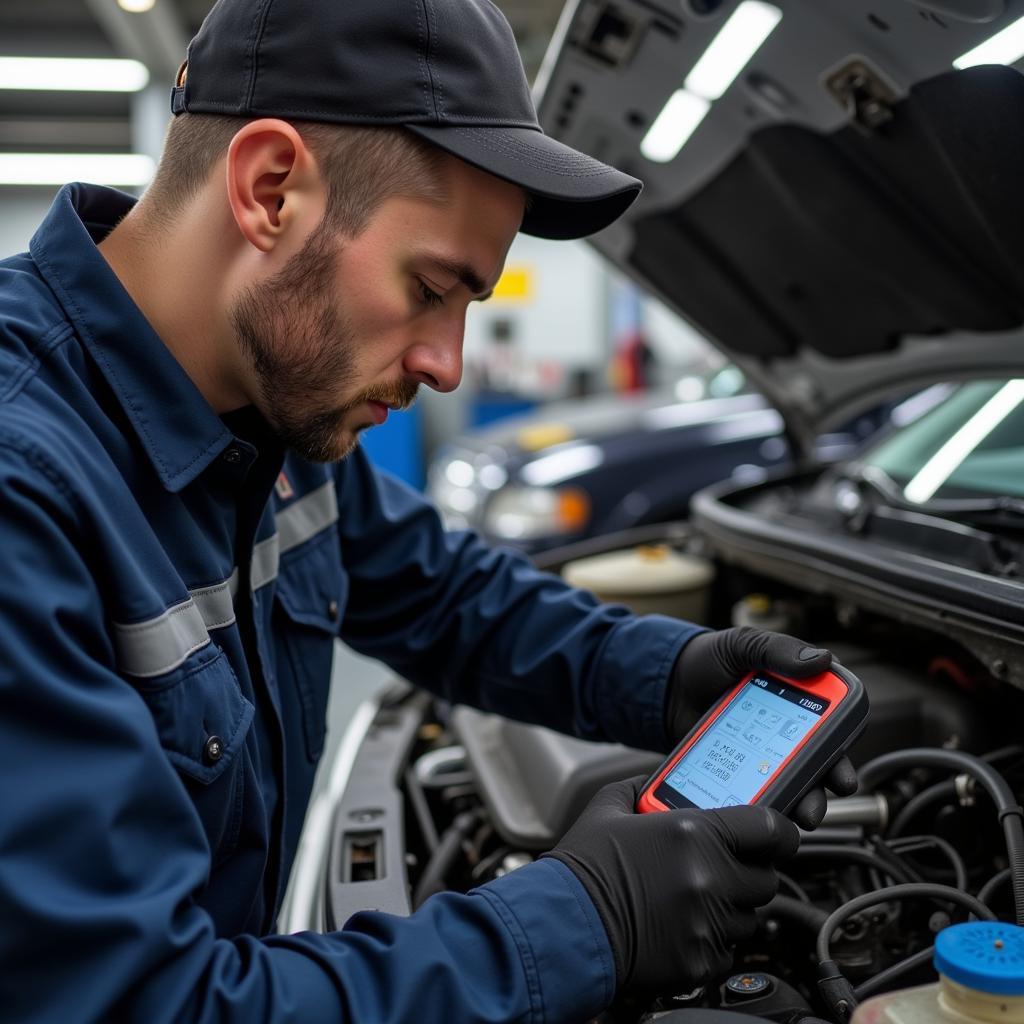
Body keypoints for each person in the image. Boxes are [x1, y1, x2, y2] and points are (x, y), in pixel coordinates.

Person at [0, 1, 855, 1021]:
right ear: (269, 191)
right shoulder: (26, 490)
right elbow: (140, 1002)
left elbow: (447, 594)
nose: (445, 365)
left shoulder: (267, 409)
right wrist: (587, 919)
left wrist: (663, 675)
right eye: (430, 287)